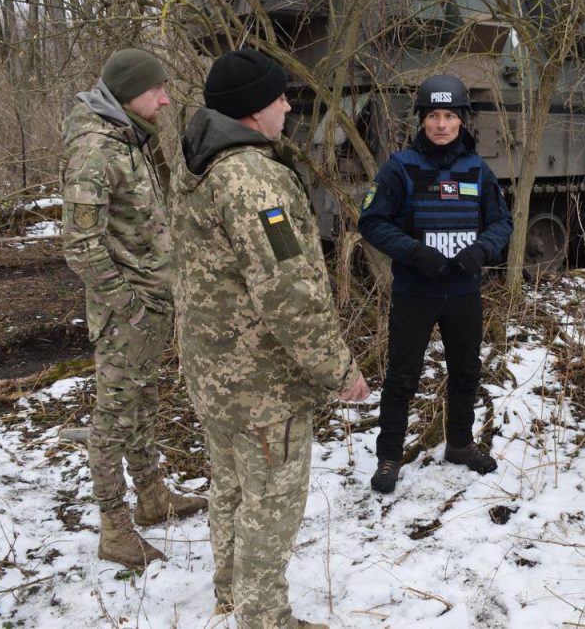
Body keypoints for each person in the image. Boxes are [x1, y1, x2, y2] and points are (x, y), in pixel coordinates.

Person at [171, 48, 370, 629]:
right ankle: (264, 619)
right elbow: (289, 295)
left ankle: (232, 593)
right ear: (255, 109)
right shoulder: (254, 181)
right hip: (260, 385)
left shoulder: (200, 165)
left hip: (214, 376)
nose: (288, 105)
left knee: (232, 489)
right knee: (270, 506)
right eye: (280, 96)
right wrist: (339, 372)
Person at [62, 48, 206, 569]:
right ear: (127, 94)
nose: (166, 98)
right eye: (156, 90)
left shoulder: (126, 135)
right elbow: (80, 245)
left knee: (143, 405)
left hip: (149, 303)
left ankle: (152, 496)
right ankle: (114, 528)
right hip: (128, 312)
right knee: (113, 419)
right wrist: (129, 307)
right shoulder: (96, 151)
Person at [358, 74, 513, 494]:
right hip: (415, 292)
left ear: (462, 120)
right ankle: (389, 455)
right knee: (402, 378)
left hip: (463, 292)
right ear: (422, 120)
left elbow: (502, 223)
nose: (441, 125)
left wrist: (480, 252)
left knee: (466, 372)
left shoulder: (477, 170)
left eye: (449, 116)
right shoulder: (400, 167)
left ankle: (460, 443)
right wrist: (414, 252)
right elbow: (371, 221)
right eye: (433, 116)